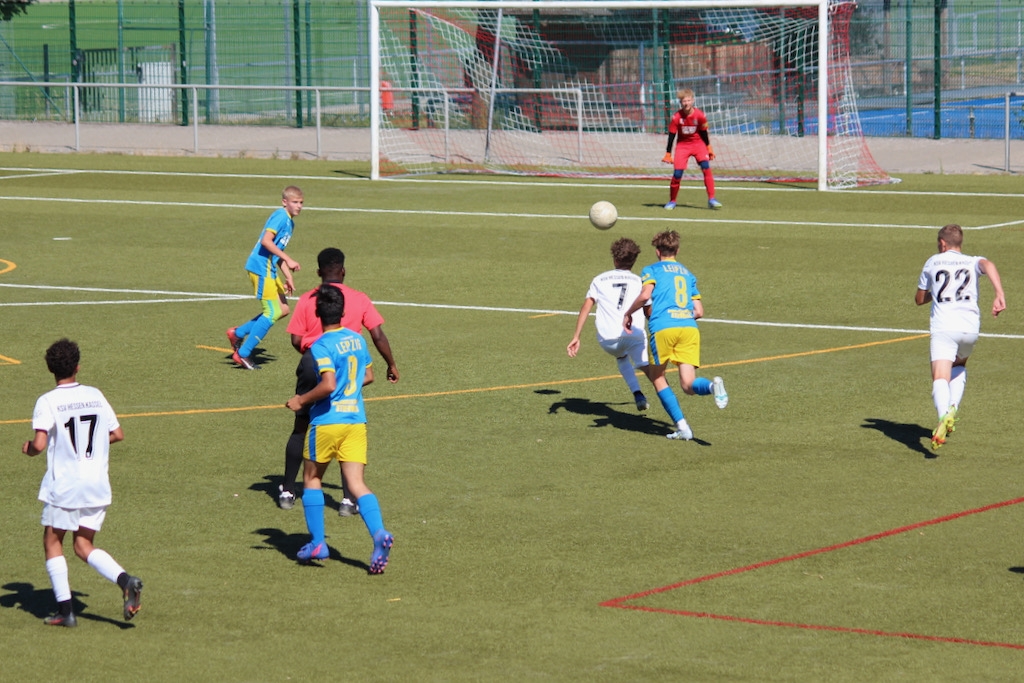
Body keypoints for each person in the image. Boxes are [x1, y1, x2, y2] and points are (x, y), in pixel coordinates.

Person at [22, 338, 143, 627]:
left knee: (53, 541)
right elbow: (117, 434)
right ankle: (125, 580)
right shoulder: (95, 395)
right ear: (77, 366)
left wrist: (29, 449)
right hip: (97, 484)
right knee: (83, 544)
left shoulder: (47, 401)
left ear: (50, 369)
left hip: (66, 485)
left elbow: (39, 444)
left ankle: (66, 611)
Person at [278, 247, 400, 514]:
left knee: (301, 426)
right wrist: (391, 364)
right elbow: (377, 335)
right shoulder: (359, 298)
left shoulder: (309, 298)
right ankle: (348, 500)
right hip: (348, 362)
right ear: (343, 271)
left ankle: (287, 490)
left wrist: (312, 357)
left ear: (318, 272)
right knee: (346, 427)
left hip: (313, 361)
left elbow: (296, 339)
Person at [285, 285, 394, 574]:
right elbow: (368, 375)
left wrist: (301, 400)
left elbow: (328, 384)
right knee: (356, 484)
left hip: (327, 422)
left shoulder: (321, 345)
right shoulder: (357, 339)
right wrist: (350, 386)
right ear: (344, 313)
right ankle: (379, 533)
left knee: (312, 478)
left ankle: (318, 543)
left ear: (317, 314)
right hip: (355, 421)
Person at [622, 230, 728, 440]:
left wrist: (628, 313)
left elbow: (645, 295)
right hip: (689, 328)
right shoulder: (688, 274)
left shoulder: (651, 270)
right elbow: (699, 311)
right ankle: (711, 386)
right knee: (688, 385)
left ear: (657, 251)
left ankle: (682, 427)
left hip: (663, 328)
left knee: (657, 376)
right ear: (677, 251)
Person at [915, 223, 1005, 450]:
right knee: (959, 365)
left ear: (942, 244)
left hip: (944, 328)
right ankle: (953, 408)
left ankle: (943, 415)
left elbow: (919, 299)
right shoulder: (972, 261)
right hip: (970, 329)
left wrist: (935, 294)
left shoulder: (933, 262)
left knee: (940, 376)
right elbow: (988, 264)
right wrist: (999, 293)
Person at [567, 237, 651, 412]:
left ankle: (637, 393)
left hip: (608, 340)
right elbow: (648, 311)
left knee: (621, 356)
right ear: (634, 260)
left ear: (615, 259)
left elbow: (586, 307)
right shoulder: (640, 281)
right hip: (634, 336)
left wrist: (576, 336)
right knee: (652, 373)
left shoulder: (599, 279)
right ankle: (671, 402)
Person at [226, 185, 304, 370]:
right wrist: (289, 259)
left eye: (301, 202)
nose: (299, 206)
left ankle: (237, 333)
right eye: (295, 202)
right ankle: (243, 354)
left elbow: (277, 251)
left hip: (269, 268)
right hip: (261, 267)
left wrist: (288, 276)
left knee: (283, 309)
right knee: (271, 312)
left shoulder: (290, 223)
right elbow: (266, 241)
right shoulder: (280, 216)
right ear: (284, 202)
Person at [661, 88, 722, 211]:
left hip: (698, 144)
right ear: (680, 102)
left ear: (693, 101)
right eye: (684, 101)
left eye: (688, 100)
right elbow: (672, 135)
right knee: (677, 174)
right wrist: (668, 153)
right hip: (683, 146)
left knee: (706, 167)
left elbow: (704, 132)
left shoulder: (700, 115)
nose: (686, 103)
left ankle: (712, 199)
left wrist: (708, 147)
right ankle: (672, 201)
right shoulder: (676, 117)